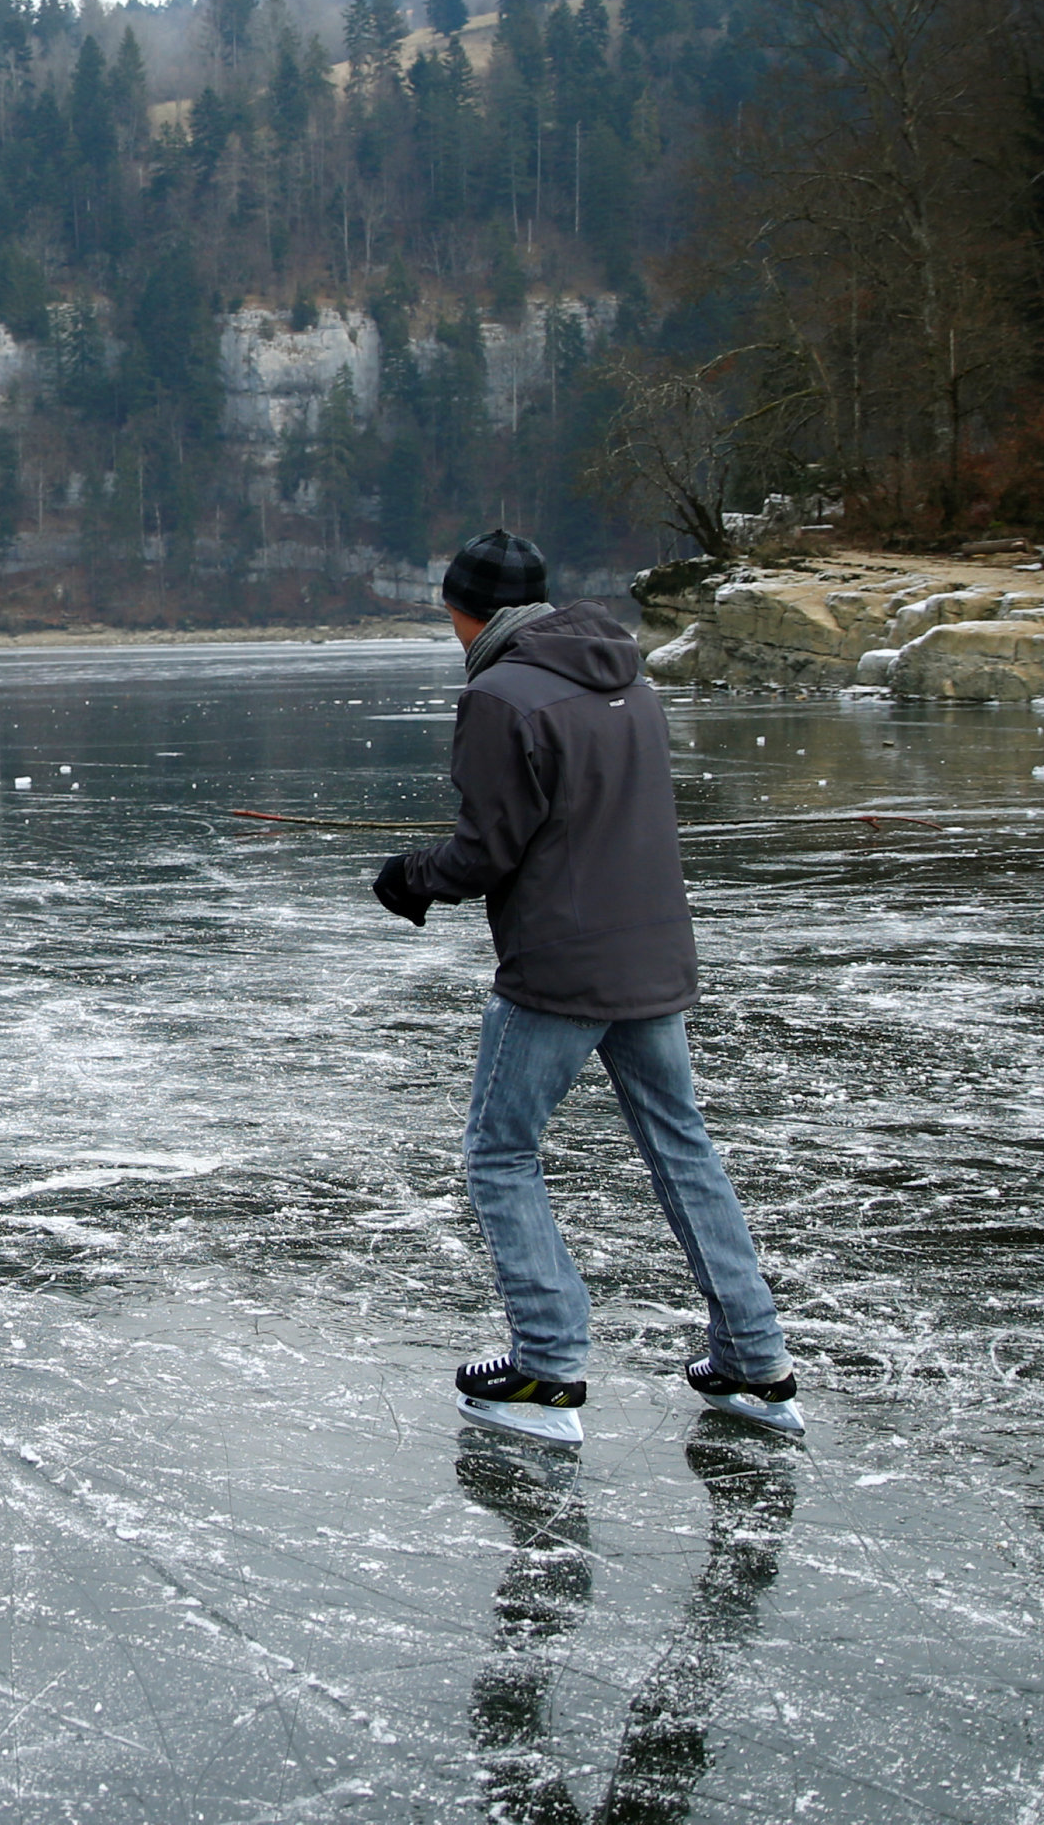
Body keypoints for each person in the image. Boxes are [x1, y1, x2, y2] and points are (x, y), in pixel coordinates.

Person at [370, 528, 799, 1443]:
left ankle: (547, 1363)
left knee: (500, 1152)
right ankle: (755, 1360)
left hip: (561, 969)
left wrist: (412, 876)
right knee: (681, 1146)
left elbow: (490, 850)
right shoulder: (629, 679)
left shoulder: (499, 695)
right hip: (651, 957)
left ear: (463, 609)